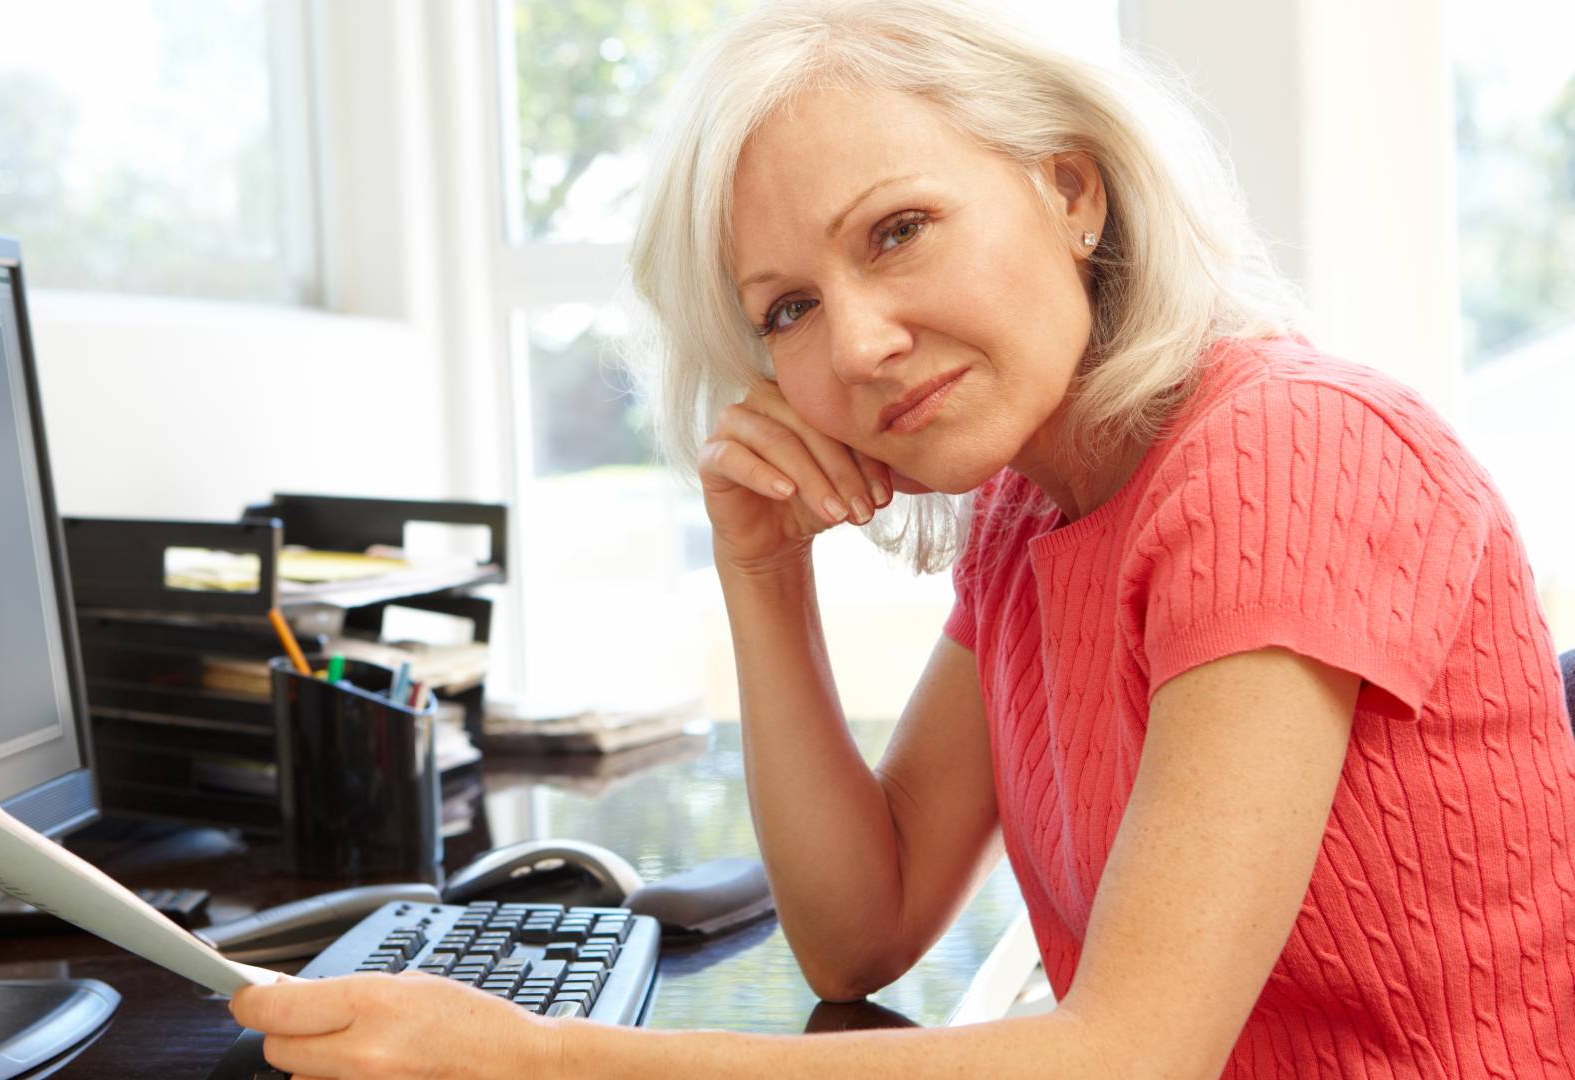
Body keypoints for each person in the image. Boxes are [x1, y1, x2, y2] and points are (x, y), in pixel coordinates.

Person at [229, 1, 1575, 1075]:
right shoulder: (1029, 510)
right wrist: (760, 572)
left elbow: (1130, 1058)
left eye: (901, 230)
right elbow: (857, 937)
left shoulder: (1290, 450)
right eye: (789, 308)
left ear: (1070, 189)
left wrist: (538, 1063)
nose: (859, 344)